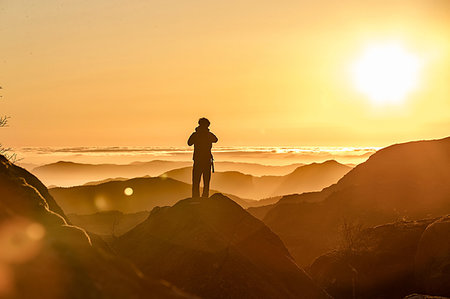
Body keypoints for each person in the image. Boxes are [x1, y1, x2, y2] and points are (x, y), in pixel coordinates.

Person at [187, 118, 218, 198]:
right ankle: (205, 197)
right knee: (206, 181)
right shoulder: (209, 134)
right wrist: (207, 133)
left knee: (196, 180)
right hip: (206, 160)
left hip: (197, 160)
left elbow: (189, 143)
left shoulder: (195, 134)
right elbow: (215, 139)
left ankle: (195, 197)